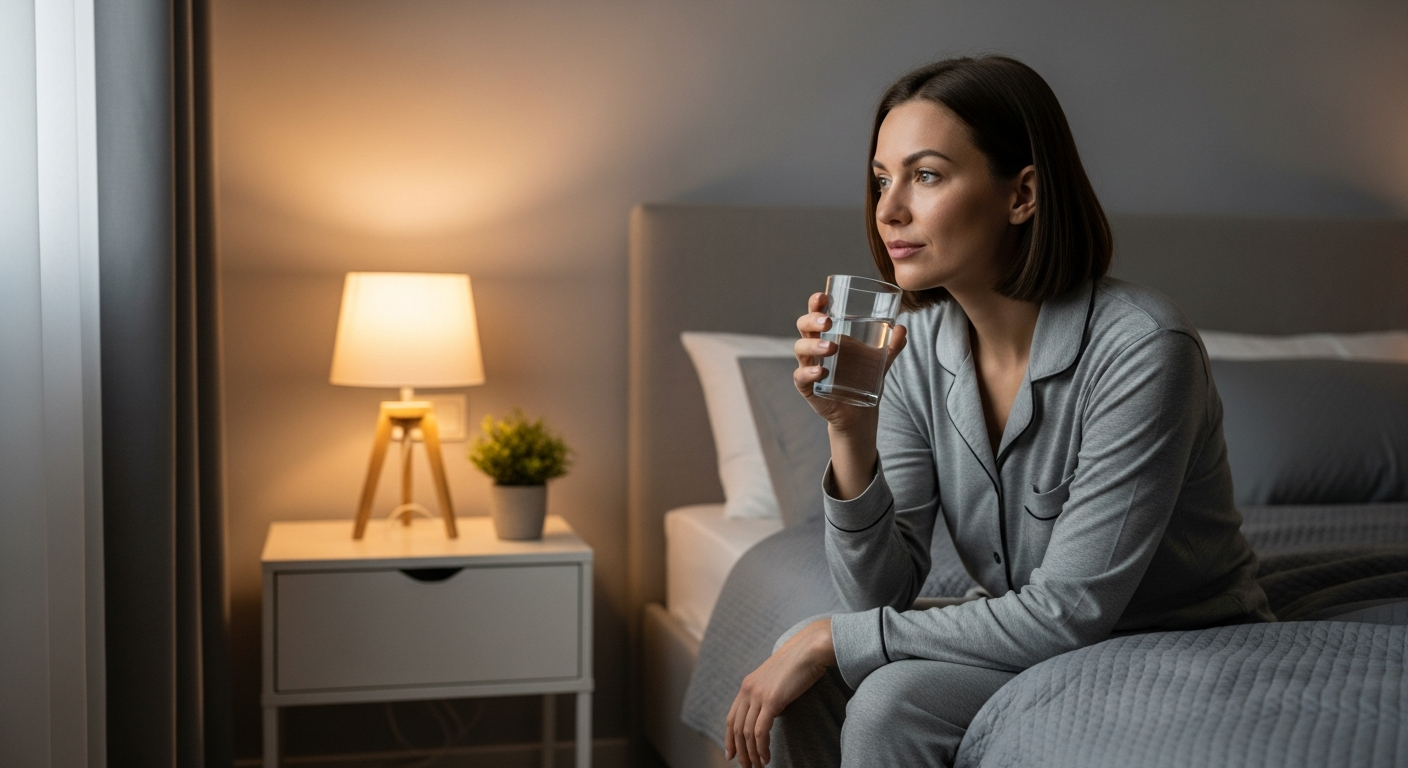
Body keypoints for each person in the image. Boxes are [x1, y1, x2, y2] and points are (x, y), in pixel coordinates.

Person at [723, 55, 1274, 768]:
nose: (889, 210)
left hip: (1168, 638)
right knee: (806, 662)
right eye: (882, 180)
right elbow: (878, 595)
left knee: (879, 691)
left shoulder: (1143, 348)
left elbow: (1071, 611)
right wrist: (848, 427)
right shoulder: (915, 347)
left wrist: (835, 635)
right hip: (1044, 636)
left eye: (926, 176)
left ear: (1022, 195)